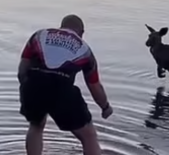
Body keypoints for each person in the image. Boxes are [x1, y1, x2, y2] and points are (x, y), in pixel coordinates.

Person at [18, 14, 113, 155]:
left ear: (61, 26)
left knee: (36, 125)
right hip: (61, 90)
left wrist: (29, 88)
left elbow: (22, 70)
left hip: (33, 84)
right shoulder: (84, 50)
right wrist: (105, 107)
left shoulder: (38, 36)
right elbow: (94, 86)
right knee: (89, 136)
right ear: (81, 32)